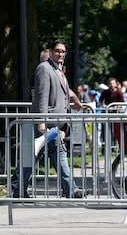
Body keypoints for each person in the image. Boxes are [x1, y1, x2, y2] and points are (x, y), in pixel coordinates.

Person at [12, 38, 87, 198]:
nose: (60, 54)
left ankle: (20, 189)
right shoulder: (44, 69)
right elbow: (42, 96)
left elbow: (65, 89)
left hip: (55, 124)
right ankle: (69, 190)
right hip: (47, 123)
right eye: (57, 51)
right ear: (51, 51)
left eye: (63, 51)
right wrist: (41, 121)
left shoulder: (57, 69)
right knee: (37, 157)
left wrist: (75, 100)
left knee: (44, 156)